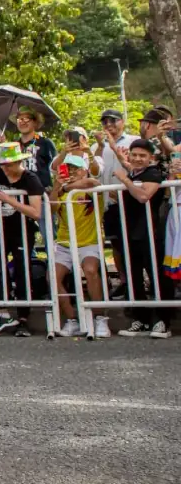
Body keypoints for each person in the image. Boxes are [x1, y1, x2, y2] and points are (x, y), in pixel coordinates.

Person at [0, 142, 46, 336]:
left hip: (22, 229)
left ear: (18, 162)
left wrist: (10, 200)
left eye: (8, 164)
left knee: (22, 271)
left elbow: (36, 213)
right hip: (0, 227)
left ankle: (23, 319)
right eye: (2, 164)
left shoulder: (31, 179)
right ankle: (2, 313)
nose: (4, 168)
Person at [111, 139, 173, 338]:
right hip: (129, 233)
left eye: (142, 155)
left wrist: (125, 182)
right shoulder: (132, 172)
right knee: (133, 277)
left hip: (149, 233)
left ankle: (162, 321)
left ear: (150, 158)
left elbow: (144, 196)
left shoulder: (153, 173)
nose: (137, 159)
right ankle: (140, 319)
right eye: (134, 154)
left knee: (156, 277)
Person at [48, 154, 108, 338]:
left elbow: (93, 183)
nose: (71, 172)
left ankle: (99, 318)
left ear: (84, 170)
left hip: (89, 242)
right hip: (65, 242)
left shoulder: (89, 187)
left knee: (90, 270)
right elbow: (50, 208)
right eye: (68, 168)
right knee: (53, 277)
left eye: (75, 168)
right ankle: (72, 319)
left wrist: (67, 186)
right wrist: (58, 186)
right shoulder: (61, 190)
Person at [94, 108, 139, 299]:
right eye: (105, 122)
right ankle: (124, 282)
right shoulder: (101, 145)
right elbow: (95, 169)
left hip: (131, 199)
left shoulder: (133, 141)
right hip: (109, 202)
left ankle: (138, 282)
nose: (109, 125)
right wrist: (98, 145)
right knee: (116, 245)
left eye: (113, 121)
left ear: (122, 121)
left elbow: (136, 167)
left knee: (133, 243)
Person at [14, 106, 56, 189]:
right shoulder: (14, 146)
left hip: (42, 194)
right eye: (20, 119)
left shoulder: (45, 143)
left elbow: (56, 168)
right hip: (20, 195)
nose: (23, 122)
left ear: (35, 122)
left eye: (26, 119)